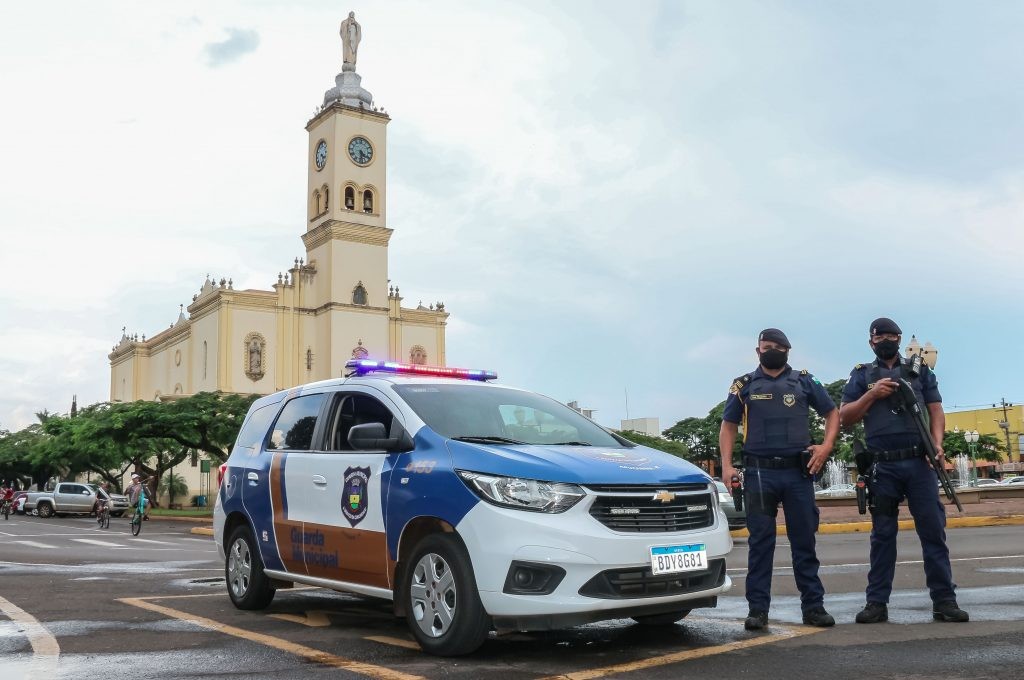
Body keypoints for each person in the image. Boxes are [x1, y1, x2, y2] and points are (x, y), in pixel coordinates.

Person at [839, 318, 968, 624]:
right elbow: (845, 417)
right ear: (871, 342)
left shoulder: (920, 370)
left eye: (891, 336)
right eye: (879, 336)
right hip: (883, 466)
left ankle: (944, 601)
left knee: (933, 532)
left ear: (899, 339)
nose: (885, 340)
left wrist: (937, 445)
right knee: (882, 536)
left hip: (919, 463)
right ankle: (877, 603)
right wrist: (872, 395)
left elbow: (936, 410)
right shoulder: (861, 375)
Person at [719, 328, 840, 630]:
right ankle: (758, 610)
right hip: (760, 473)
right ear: (757, 350)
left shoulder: (803, 380)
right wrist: (725, 466)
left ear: (788, 350)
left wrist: (826, 447)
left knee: (804, 543)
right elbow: (729, 425)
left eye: (777, 346)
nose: (771, 350)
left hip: (798, 473)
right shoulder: (743, 385)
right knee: (761, 544)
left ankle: (813, 607)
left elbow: (832, 413)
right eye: (766, 346)